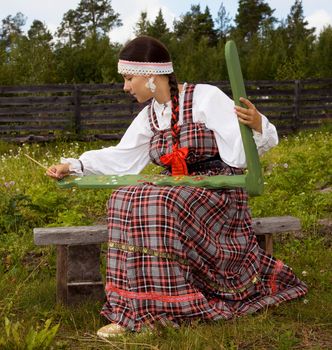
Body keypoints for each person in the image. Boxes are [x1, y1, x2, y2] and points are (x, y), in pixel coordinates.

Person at [46, 36, 307, 337]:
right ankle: (132, 309)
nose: (126, 87)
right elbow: (122, 157)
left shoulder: (204, 98)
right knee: (123, 197)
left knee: (159, 202)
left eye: (129, 78)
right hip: (177, 190)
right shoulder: (150, 116)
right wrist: (75, 165)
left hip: (217, 194)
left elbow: (241, 151)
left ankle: (167, 309)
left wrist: (258, 124)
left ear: (151, 76)